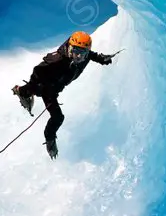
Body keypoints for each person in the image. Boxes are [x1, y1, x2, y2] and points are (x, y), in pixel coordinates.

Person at [12, 31, 116, 159]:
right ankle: (49, 139)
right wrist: (40, 86)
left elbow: (90, 55)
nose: (78, 56)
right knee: (57, 116)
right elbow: (37, 70)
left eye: (82, 53)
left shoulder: (83, 56)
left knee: (34, 93)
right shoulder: (57, 59)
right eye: (76, 51)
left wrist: (100, 58)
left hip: (54, 87)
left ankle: (23, 91)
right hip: (46, 88)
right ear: (69, 47)